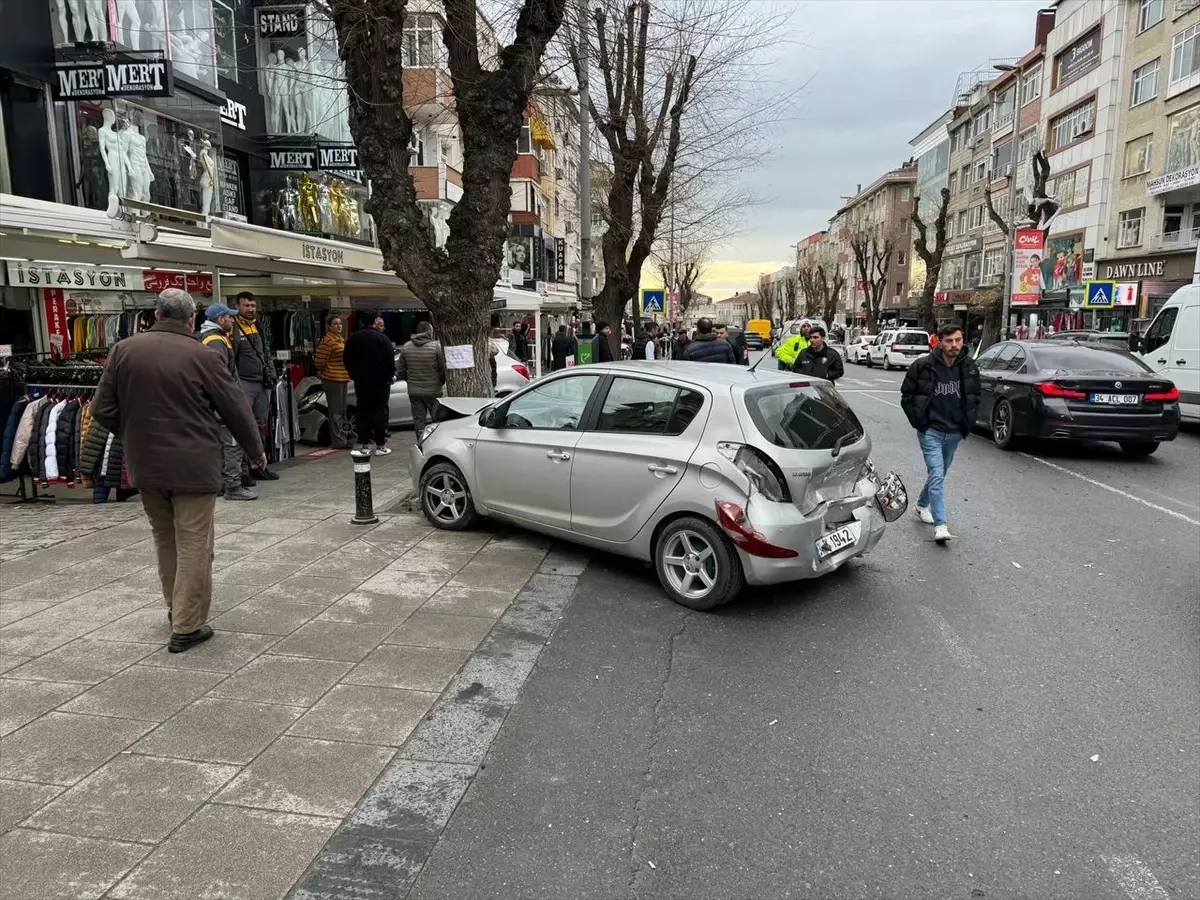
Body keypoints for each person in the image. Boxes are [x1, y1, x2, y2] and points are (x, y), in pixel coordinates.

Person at [92, 289, 265, 653]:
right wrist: (255, 451)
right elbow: (236, 408)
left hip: (146, 465)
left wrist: (132, 433)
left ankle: (176, 610)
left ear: (156, 314)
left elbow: (102, 408)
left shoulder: (124, 350)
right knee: (194, 544)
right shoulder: (203, 356)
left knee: (164, 539)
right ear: (190, 320)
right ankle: (187, 625)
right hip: (194, 465)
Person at [899, 324, 981, 544]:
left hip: (954, 432)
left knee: (940, 473)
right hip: (931, 431)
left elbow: (975, 396)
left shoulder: (969, 366)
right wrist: (920, 423)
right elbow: (907, 396)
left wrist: (967, 423)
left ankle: (921, 505)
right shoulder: (923, 366)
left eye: (958, 340)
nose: (954, 345)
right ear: (939, 342)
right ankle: (941, 525)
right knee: (937, 473)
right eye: (949, 341)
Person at [199, 303, 257, 501]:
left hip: (215, 401)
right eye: (229, 317)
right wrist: (230, 402)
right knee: (232, 442)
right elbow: (221, 375)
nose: (232, 320)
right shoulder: (216, 340)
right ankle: (233, 485)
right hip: (222, 401)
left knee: (222, 443)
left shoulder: (211, 337)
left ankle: (222, 484)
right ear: (220, 319)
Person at [230, 291, 278, 481]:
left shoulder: (257, 325)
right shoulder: (233, 328)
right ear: (237, 307)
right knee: (244, 427)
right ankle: (243, 471)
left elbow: (265, 352)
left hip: (262, 383)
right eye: (246, 305)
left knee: (259, 426)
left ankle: (258, 465)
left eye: (252, 306)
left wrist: (271, 373)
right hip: (244, 383)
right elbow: (230, 358)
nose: (250, 309)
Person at [343, 311, 396, 455]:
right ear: (374, 321)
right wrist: (388, 376)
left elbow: (346, 359)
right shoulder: (382, 338)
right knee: (379, 411)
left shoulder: (353, 338)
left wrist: (354, 375)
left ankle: (364, 444)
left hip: (361, 381)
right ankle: (380, 445)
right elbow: (390, 360)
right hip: (380, 382)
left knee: (363, 411)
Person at [396, 320, 447, 442]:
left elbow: (400, 369)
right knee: (436, 419)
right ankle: (436, 442)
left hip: (414, 391)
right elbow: (443, 368)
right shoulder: (436, 347)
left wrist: (409, 380)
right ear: (429, 331)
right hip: (433, 390)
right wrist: (441, 381)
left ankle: (421, 442)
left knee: (419, 420)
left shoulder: (406, 347)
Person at [313, 315, 351, 448]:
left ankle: (342, 437)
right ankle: (338, 441)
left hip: (342, 378)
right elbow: (318, 362)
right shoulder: (327, 341)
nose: (338, 326)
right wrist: (328, 370)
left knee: (341, 411)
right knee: (335, 412)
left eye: (340, 324)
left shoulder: (339, 340)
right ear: (329, 327)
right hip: (332, 379)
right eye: (335, 324)